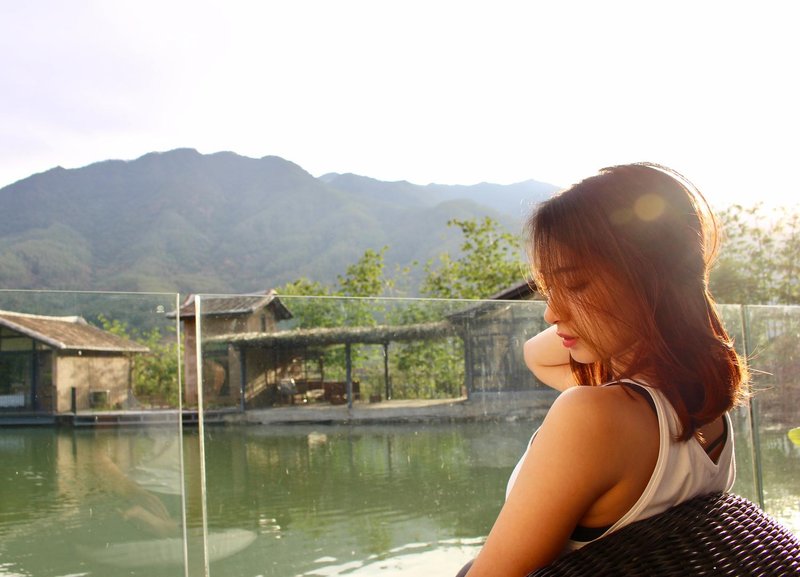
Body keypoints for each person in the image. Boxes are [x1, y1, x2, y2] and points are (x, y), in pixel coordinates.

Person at [458, 163, 748, 576]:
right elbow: (535, 354)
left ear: (650, 276)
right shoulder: (702, 406)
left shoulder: (595, 416)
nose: (551, 314)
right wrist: (600, 321)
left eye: (575, 285)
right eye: (549, 290)